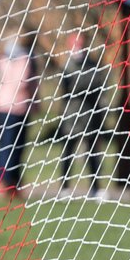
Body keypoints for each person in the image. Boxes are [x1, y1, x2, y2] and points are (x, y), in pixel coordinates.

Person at [55, 33, 110, 197]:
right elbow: (66, 89)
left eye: (80, 43)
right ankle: (64, 187)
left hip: (90, 116)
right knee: (68, 152)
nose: (78, 47)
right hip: (71, 116)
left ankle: (96, 188)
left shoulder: (93, 64)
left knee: (93, 153)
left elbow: (97, 84)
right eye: (75, 43)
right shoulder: (65, 65)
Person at [0, 33, 40, 199]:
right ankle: (6, 182)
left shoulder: (4, 58)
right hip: (15, 107)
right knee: (11, 146)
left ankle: (11, 182)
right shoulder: (23, 58)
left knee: (10, 146)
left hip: (8, 106)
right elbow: (23, 82)